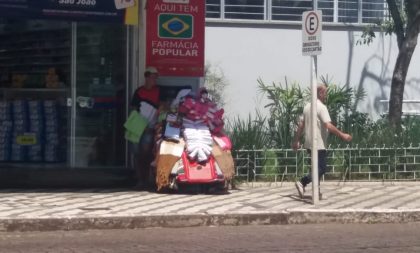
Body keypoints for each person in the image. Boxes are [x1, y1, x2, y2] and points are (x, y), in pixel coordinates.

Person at [292, 84, 352, 199]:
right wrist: (342, 135)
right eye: (325, 93)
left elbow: (301, 125)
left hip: (309, 143)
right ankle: (302, 182)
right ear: (320, 93)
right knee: (321, 168)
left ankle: (316, 191)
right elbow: (328, 125)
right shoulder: (321, 107)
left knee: (316, 167)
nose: (326, 95)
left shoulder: (307, 107)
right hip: (318, 143)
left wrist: (296, 140)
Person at [130, 66, 160, 189]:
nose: (154, 80)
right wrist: (139, 124)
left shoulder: (158, 91)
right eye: (152, 77)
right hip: (137, 127)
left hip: (150, 127)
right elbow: (133, 108)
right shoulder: (139, 91)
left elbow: (162, 107)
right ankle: (139, 179)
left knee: (146, 153)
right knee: (136, 153)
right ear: (146, 77)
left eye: (156, 78)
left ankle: (147, 180)